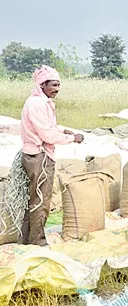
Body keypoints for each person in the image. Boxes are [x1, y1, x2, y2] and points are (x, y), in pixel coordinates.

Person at [20, 65, 84, 246]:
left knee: (33, 198)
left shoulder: (40, 102)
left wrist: (63, 130)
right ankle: (37, 242)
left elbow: (47, 127)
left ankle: (26, 239)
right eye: (53, 85)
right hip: (39, 158)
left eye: (58, 85)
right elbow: (48, 135)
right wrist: (72, 138)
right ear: (42, 84)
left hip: (35, 155)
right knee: (41, 201)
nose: (57, 89)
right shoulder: (38, 104)